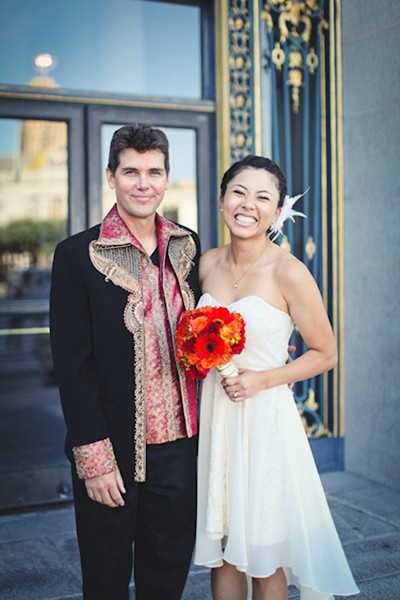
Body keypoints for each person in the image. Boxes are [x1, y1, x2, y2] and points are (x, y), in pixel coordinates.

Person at [194, 155, 359, 599]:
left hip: (264, 422)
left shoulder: (289, 271)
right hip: (217, 420)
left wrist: (264, 378)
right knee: (224, 544)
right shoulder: (206, 264)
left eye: (263, 197)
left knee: (264, 550)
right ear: (222, 200)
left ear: (277, 209)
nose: (248, 204)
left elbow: (326, 353)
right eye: (239, 193)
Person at [50, 123, 201, 600]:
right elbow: (72, 365)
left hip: (179, 447)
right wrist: (92, 458)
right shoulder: (77, 254)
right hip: (113, 448)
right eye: (131, 171)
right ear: (111, 177)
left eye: (154, 172)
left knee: (168, 573)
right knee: (106, 576)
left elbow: (218, 320)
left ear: (166, 178)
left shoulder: (188, 246)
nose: (143, 183)